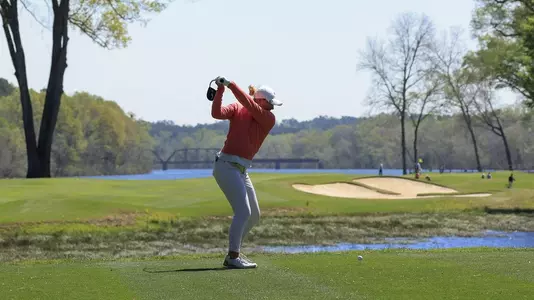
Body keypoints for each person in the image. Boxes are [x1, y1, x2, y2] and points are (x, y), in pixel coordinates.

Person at [210, 76, 283, 269]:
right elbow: (216, 113)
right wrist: (220, 90)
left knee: (254, 216)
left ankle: (233, 253)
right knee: (243, 212)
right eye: (270, 103)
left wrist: (230, 84)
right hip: (226, 165)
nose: (273, 107)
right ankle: (233, 257)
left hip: (242, 170)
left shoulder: (268, 118)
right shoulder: (239, 108)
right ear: (260, 100)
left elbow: (247, 104)